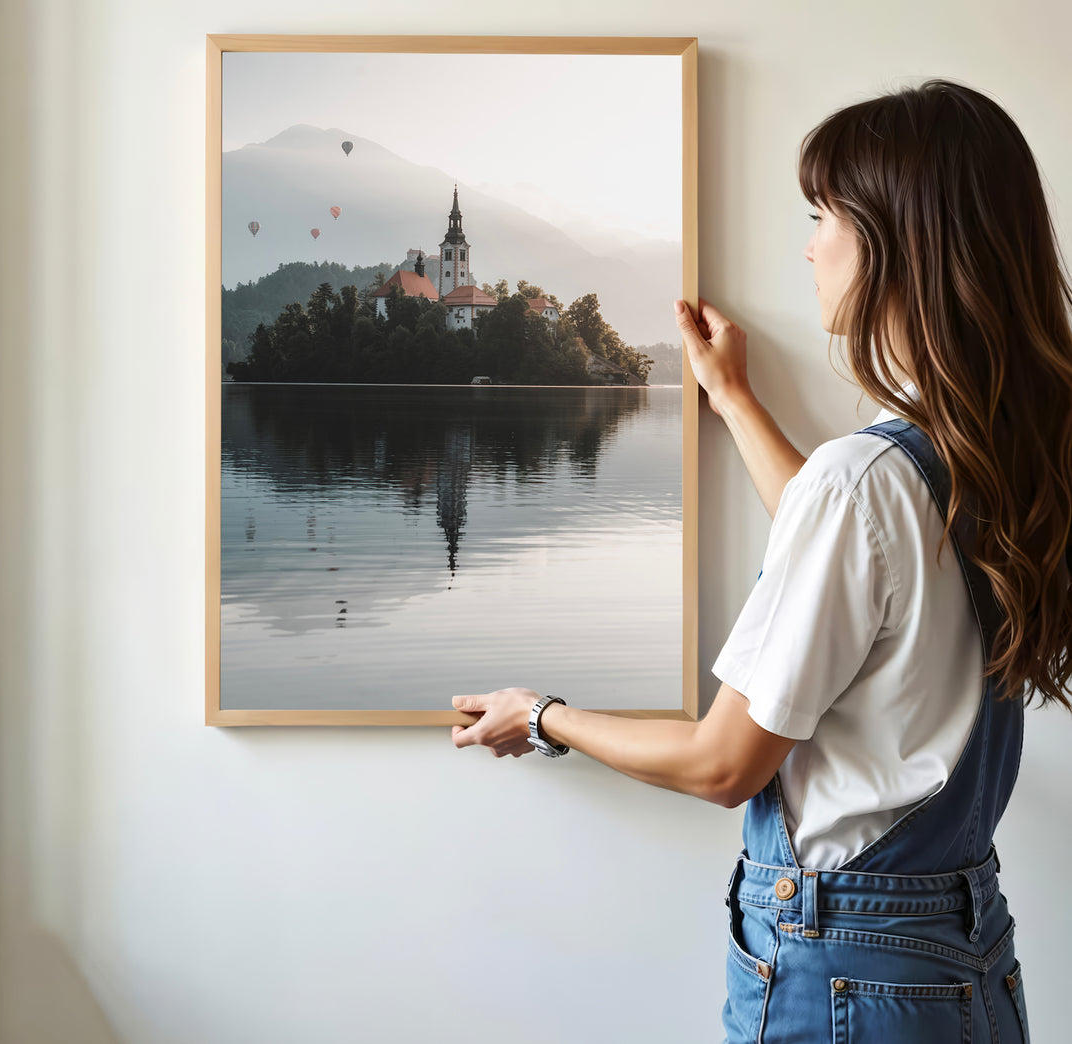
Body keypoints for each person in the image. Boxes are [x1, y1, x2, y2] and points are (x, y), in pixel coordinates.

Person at [450, 78, 1072, 1042]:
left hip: (846, 977)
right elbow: (857, 564)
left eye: (823, 217)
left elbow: (722, 764)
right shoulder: (995, 455)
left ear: (896, 244)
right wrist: (735, 400)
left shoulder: (867, 481)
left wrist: (540, 716)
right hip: (964, 963)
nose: (810, 246)